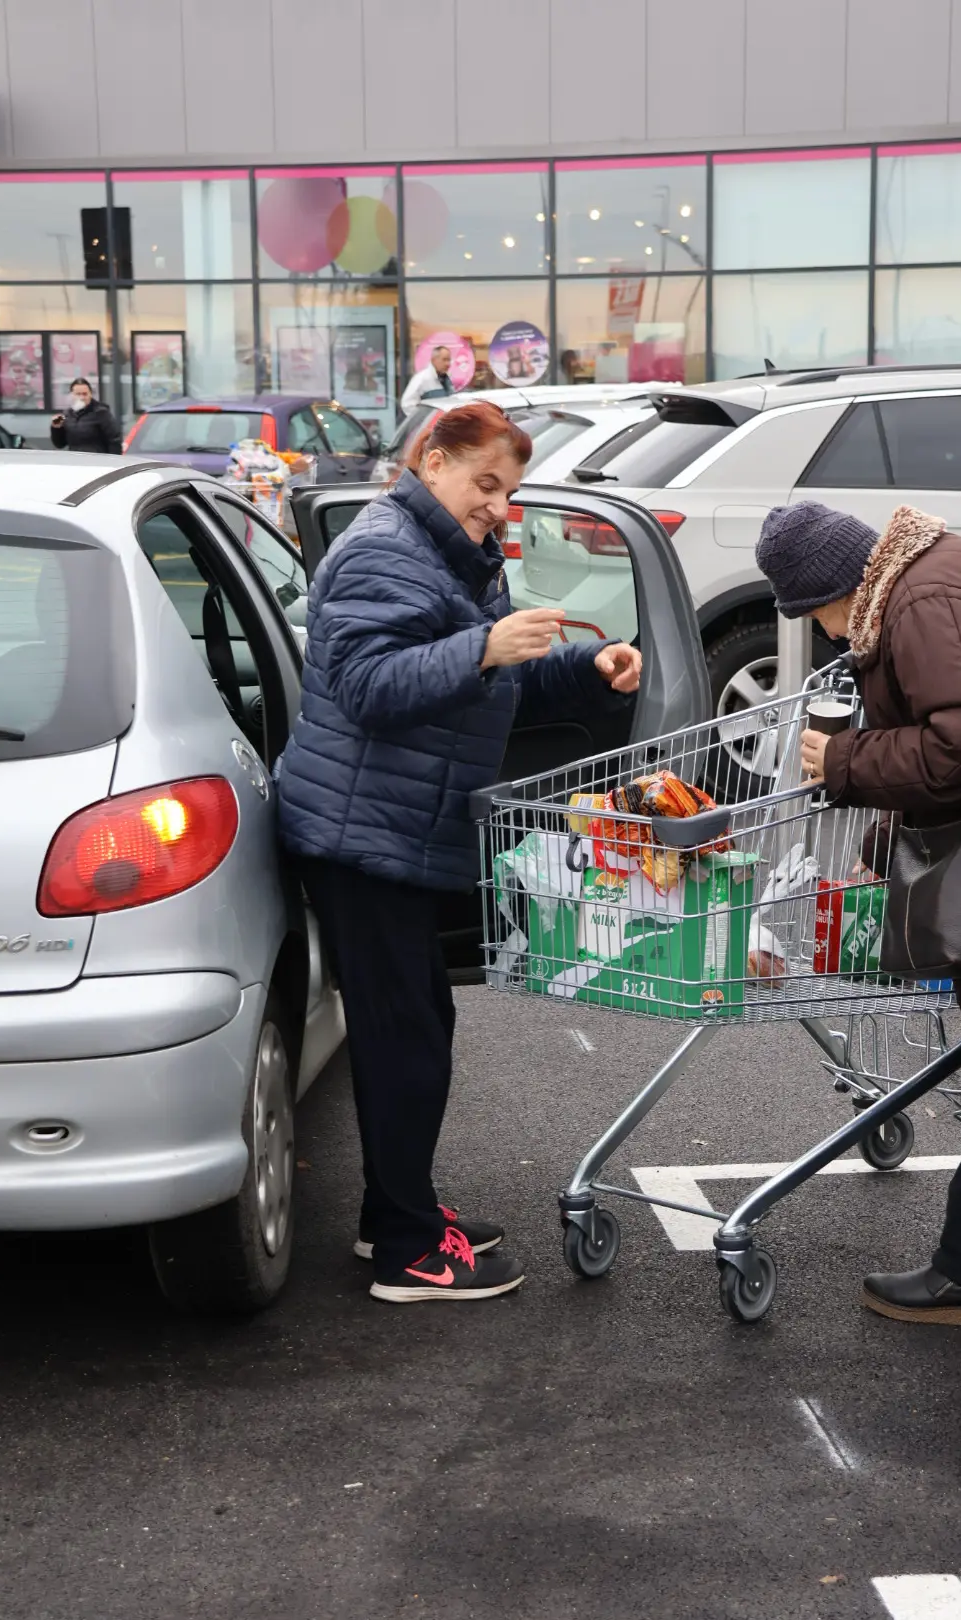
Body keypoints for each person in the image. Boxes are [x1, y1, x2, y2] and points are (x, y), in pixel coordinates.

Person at [277, 401, 641, 1304]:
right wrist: (480, 646)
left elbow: (493, 678)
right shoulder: (380, 548)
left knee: (416, 1031)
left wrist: (585, 670)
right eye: (485, 485)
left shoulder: (447, 552)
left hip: (398, 828)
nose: (498, 508)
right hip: (362, 837)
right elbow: (367, 685)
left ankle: (391, 1217)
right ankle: (407, 1250)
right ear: (430, 461)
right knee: (408, 1041)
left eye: (509, 493)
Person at [756, 499, 961, 1330]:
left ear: (840, 585)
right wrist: (889, 830)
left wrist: (847, 761)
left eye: (812, 613)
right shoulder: (942, 574)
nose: (823, 634)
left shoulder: (925, 601)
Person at [49, 378, 122, 455]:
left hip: (98, 460)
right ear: (72, 395)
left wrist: (114, 460)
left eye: (85, 394)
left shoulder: (101, 413)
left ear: (90, 394)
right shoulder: (67, 415)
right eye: (78, 394)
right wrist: (56, 428)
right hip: (76, 461)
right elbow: (60, 444)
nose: (82, 398)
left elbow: (114, 440)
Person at [400, 345, 454, 415]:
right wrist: (424, 420)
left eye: (449, 360)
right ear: (433, 360)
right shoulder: (422, 379)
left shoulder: (446, 379)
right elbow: (407, 404)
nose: (448, 364)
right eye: (444, 360)